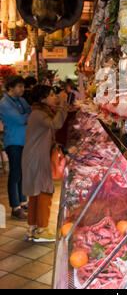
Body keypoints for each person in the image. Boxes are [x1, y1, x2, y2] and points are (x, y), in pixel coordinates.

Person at [22, 85, 67, 242]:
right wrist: (63, 104)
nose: (54, 96)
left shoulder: (39, 112)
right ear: (43, 98)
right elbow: (56, 124)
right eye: (51, 94)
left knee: (35, 193)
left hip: (34, 157)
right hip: (37, 158)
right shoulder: (39, 114)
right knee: (44, 192)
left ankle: (32, 227)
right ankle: (42, 229)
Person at [0, 76, 31, 220]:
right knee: (15, 174)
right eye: (19, 86)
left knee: (23, 173)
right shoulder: (4, 103)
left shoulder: (21, 100)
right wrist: (26, 116)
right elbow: (20, 119)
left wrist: (26, 115)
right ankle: (15, 207)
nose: (22, 89)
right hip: (13, 142)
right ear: (11, 88)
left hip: (24, 141)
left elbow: (31, 113)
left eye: (23, 86)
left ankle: (23, 201)